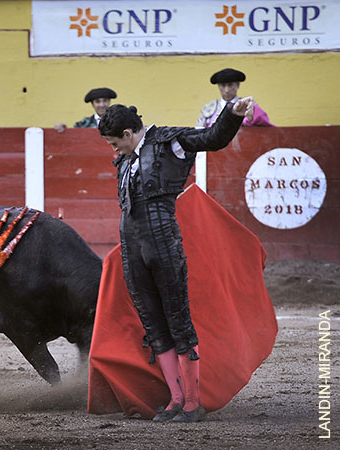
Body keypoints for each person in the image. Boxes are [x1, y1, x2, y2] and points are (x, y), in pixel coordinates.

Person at [98, 96, 254, 422]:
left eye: (115, 143)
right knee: (154, 326)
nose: (115, 150)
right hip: (133, 251)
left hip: (163, 247)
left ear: (128, 133)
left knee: (178, 323)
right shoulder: (125, 160)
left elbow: (212, 138)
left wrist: (231, 114)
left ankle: (193, 404)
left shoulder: (170, 142)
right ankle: (176, 399)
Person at [196, 68, 273, 128]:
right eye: (223, 85)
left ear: (237, 85)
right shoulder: (209, 108)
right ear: (219, 87)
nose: (227, 90)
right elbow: (199, 130)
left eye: (230, 85)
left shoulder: (248, 105)